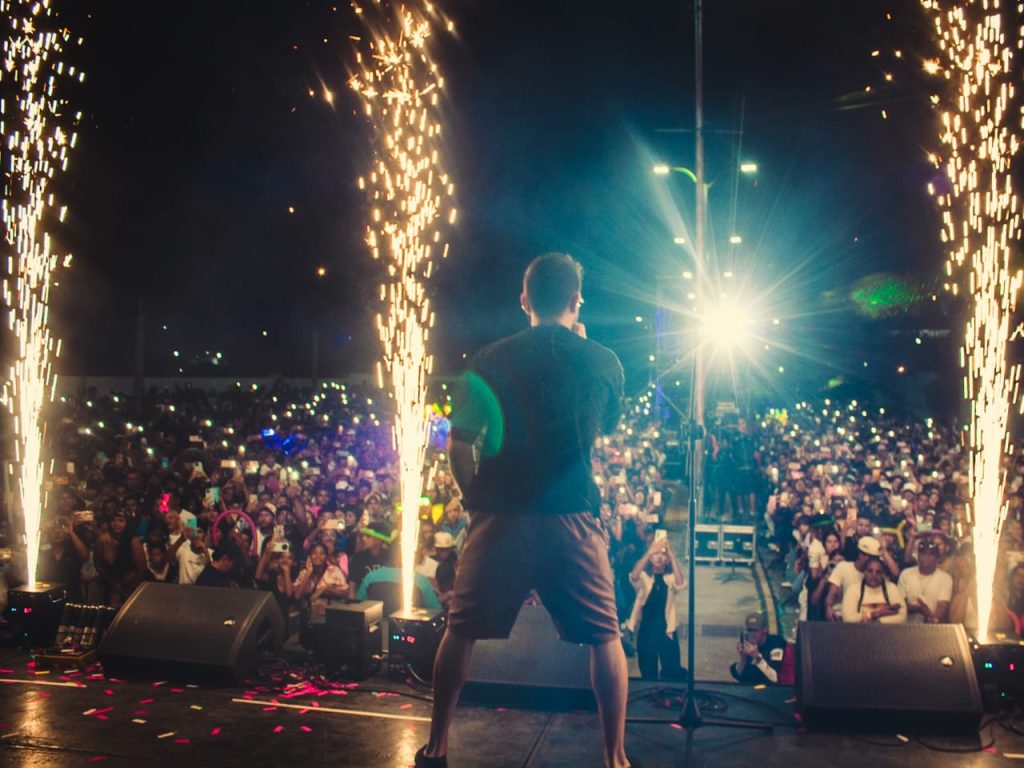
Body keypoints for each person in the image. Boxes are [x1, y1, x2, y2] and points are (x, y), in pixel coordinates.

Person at [417, 253, 628, 768]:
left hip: (502, 516)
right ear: (577, 300)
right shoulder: (604, 360)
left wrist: (476, 501)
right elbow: (607, 429)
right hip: (572, 515)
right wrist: (579, 344)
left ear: (524, 299)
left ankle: (437, 747)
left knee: (459, 630)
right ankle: (615, 758)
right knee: (606, 637)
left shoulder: (490, 358)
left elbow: (459, 445)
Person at [625, 536, 686, 681]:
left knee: (672, 671)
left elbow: (680, 583)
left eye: (663, 554)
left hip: (667, 631)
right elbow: (634, 576)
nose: (659, 557)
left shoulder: (670, 578)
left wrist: (671, 554)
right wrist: (649, 552)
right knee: (647, 672)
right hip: (647, 630)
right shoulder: (645, 577)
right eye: (656, 553)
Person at [898, 537, 952, 623]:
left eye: (931, 554)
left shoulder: (945, 578)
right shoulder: (906, 574)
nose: (926, 557)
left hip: (933, 628)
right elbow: (900, 605)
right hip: (908, 628)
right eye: (923, 554)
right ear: (918, 556)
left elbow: (943, 605)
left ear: (937, 558)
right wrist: (919, 609)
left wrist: (933, 620)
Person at [841, 556, 906, 623]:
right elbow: (848, 619)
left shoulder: (891, 588)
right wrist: (877, 614)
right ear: (864, 572)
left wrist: (879, 622)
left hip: (886, 631)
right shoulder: (853, 590)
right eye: (870, 571)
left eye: (878, 572)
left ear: (883, 574)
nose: (874, 575)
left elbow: (902, 616)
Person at [730, 612, 786, 685]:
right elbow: (739, 676)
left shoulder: (775, 644)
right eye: (749, 630)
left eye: (755, 631)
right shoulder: (749, 644)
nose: (752, 634)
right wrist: (743, 659)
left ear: (764, 630)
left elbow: (775, 678)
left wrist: (757, 657)